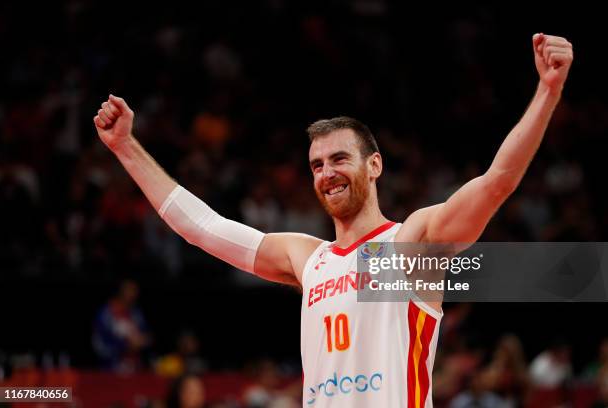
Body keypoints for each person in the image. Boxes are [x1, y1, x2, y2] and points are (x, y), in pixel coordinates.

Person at [93, 33, 573, 407]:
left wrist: (547, 91)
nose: (326, 174)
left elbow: (497, 182)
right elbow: (202, 228)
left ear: (374, 165)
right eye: (317, 165)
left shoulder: (411, 242)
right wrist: (126, 148)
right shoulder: (308, 257)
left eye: (339, 159)